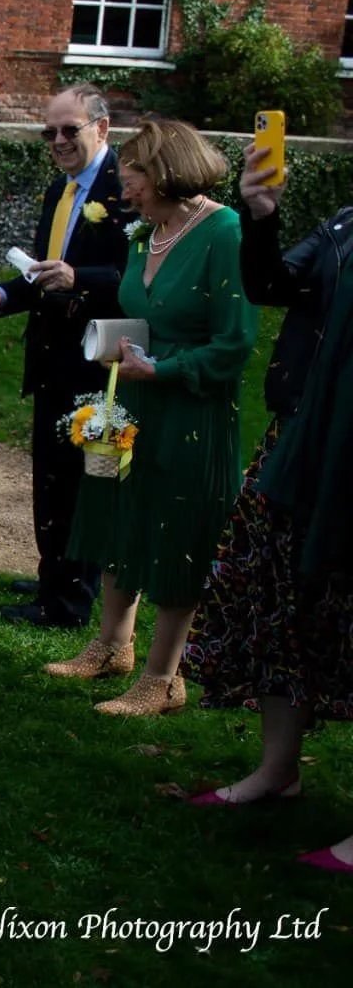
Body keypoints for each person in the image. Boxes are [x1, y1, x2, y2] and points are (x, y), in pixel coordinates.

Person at [46, 120, 258, 714]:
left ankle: (164, 678)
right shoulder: (148, 229)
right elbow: (143, 312)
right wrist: (116, 344)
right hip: (131, 397)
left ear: (165, 173)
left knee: (176, 529)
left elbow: (236, 342)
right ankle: (113, 645)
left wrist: (163, 369)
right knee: (120, 512)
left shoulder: (224, 232)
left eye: (132, 176)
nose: (123, 188)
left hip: (190, 408)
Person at [181, 147, 353, 832]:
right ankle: (276, 769)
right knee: (280, 599)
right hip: (300, 446)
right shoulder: (344, 224)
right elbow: (273, 285)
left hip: (347, 454)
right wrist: (261, 216)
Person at [0, 85, 133, 628]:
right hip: (50, 353)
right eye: (49, 132)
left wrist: (81, 277)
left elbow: (138, 278)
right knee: (52, 476)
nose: (58, 141)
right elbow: (45, 269)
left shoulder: (125, 191)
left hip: (97, 358)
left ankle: (69, 599)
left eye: (70, 130)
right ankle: (52, 575)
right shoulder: (59, 191)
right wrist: (7, 295)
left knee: (83, 477)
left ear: (102, 129)